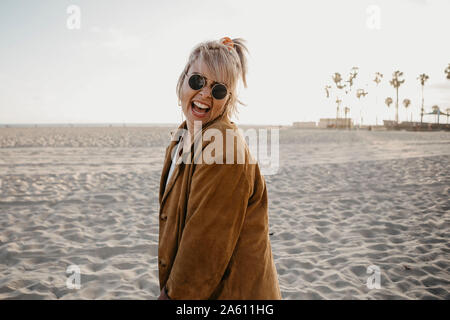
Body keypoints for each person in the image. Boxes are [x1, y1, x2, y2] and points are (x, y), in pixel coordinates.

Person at [157, 37, 281, 300]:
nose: (204, 94)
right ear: (183, 78)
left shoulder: (223, 150)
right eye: (198, 81)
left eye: (218, 90)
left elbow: (204, 248)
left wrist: (172, 297)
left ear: (228, 99)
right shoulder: (183, 137)